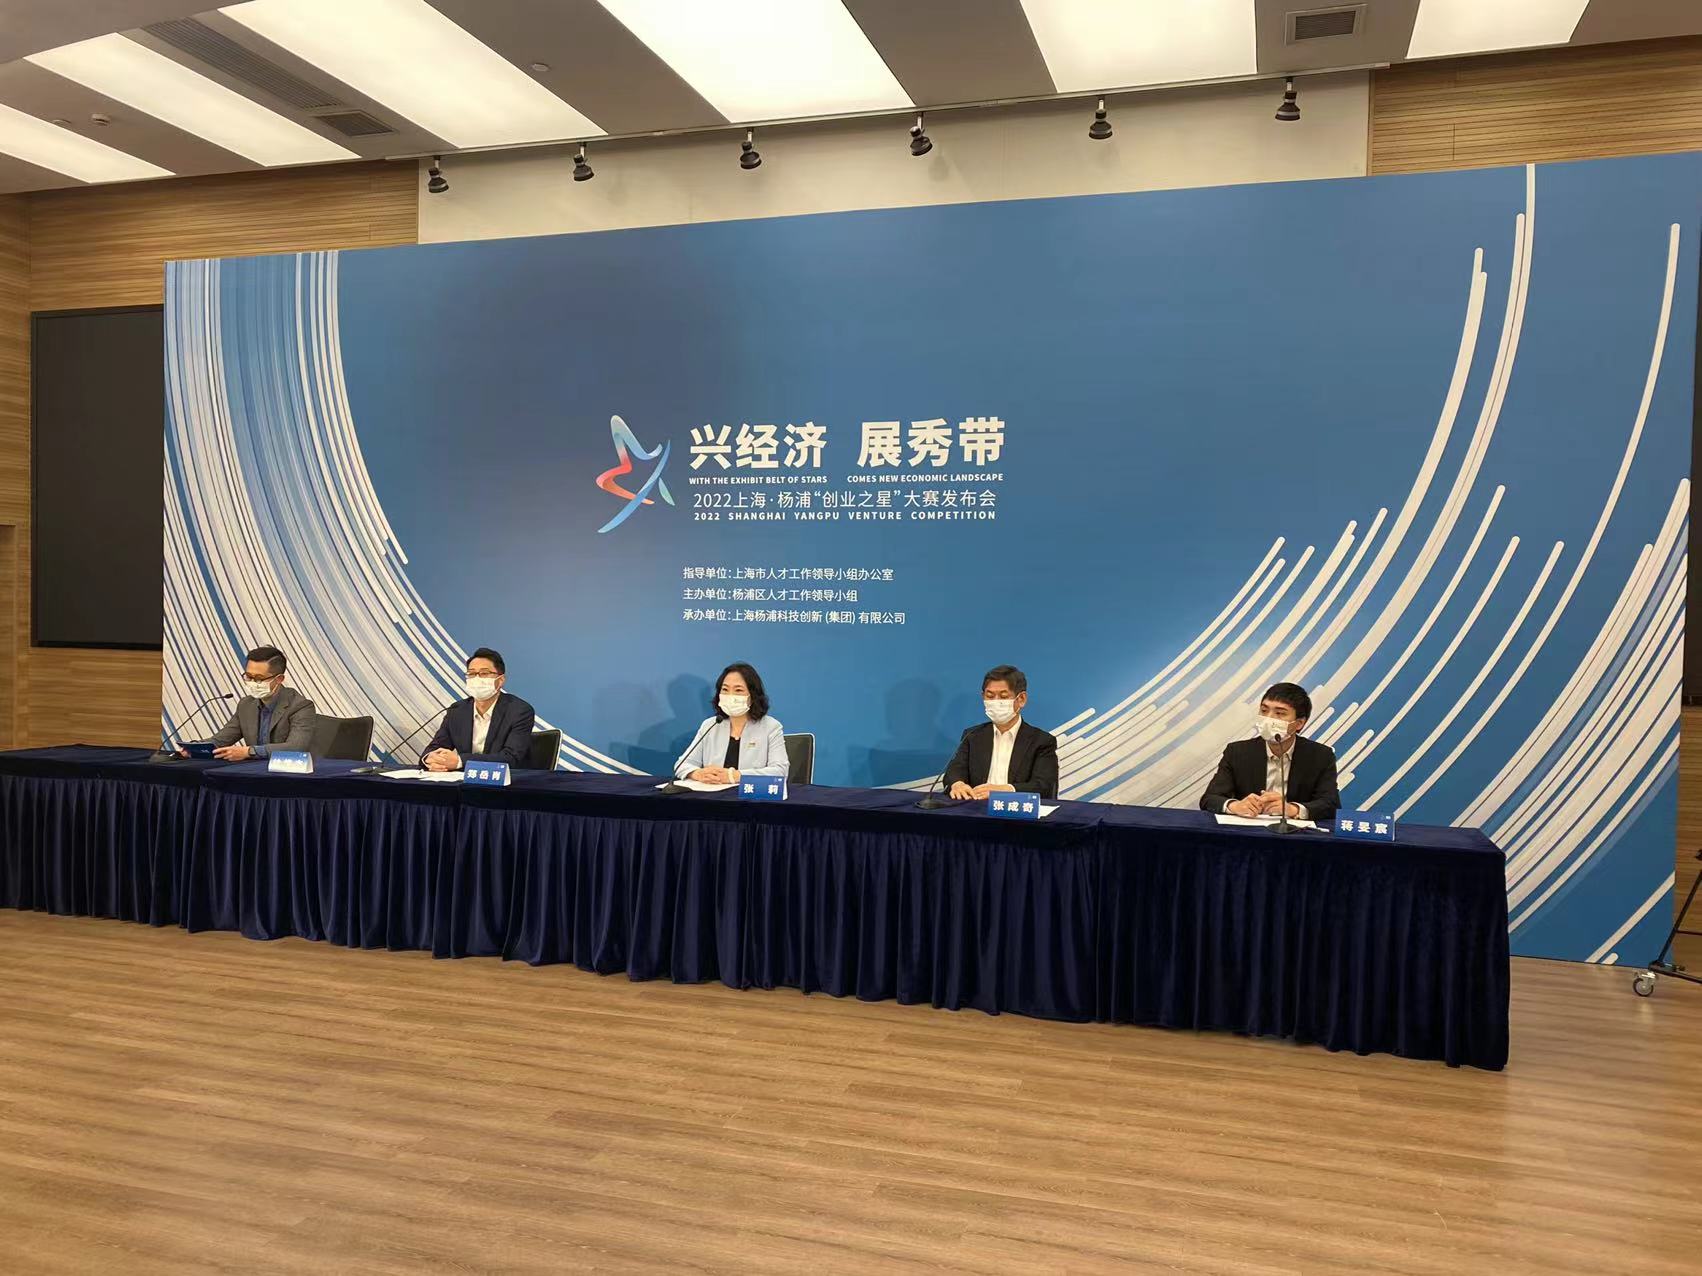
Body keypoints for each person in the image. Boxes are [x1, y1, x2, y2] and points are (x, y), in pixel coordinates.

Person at [1200, 682, 1340, 823]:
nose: (1268, 719)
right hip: (1247, 831)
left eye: (1280, 713)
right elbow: (1209, 799)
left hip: (1294, 832)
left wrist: (1293, 809)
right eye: (1264, 711)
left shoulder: (1321, 756)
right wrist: (1235, 806)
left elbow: (1331, 804)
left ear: (1299, 723)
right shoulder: (1237, 752)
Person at [944, 665, 1059, 801]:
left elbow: (1044, 785)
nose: (996, 702)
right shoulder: (972, 735)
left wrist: (1005, 791)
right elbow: (954, 770)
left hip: (1016, 810)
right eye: (990, 696)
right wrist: (957, 783)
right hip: (976, 807)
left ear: (1021, 699)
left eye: (1003, 697)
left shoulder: (1041, 741)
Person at [422, 648, 536, 771]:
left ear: (500, 680)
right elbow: (435, 747)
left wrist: (460, 761)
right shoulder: (457, 710)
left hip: (506, 780)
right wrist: (430, 759)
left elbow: (510, 758)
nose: (476, 679)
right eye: (471, 674)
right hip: (463, 780)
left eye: (484, 673)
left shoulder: (519, 711)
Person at [674, 662, 788, 782]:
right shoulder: (710, 725)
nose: (730, 695)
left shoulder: (771, 727)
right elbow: (682, 764)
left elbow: (780, 771)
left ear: (753, 696)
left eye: (738, 690)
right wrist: (697, 773)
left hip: (749, 793)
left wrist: (735, 776)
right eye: (725, 689)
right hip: (713, 792)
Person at [197, 646, 315, 761]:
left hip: (284, 770)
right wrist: (193, 748)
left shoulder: (301, 706)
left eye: (259, 679)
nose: (252, 683)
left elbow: (296, 747)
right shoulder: (246, 705)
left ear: (279, 679)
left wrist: (249, 752)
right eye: (249, 677)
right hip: (251, 769)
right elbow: (221, 740)